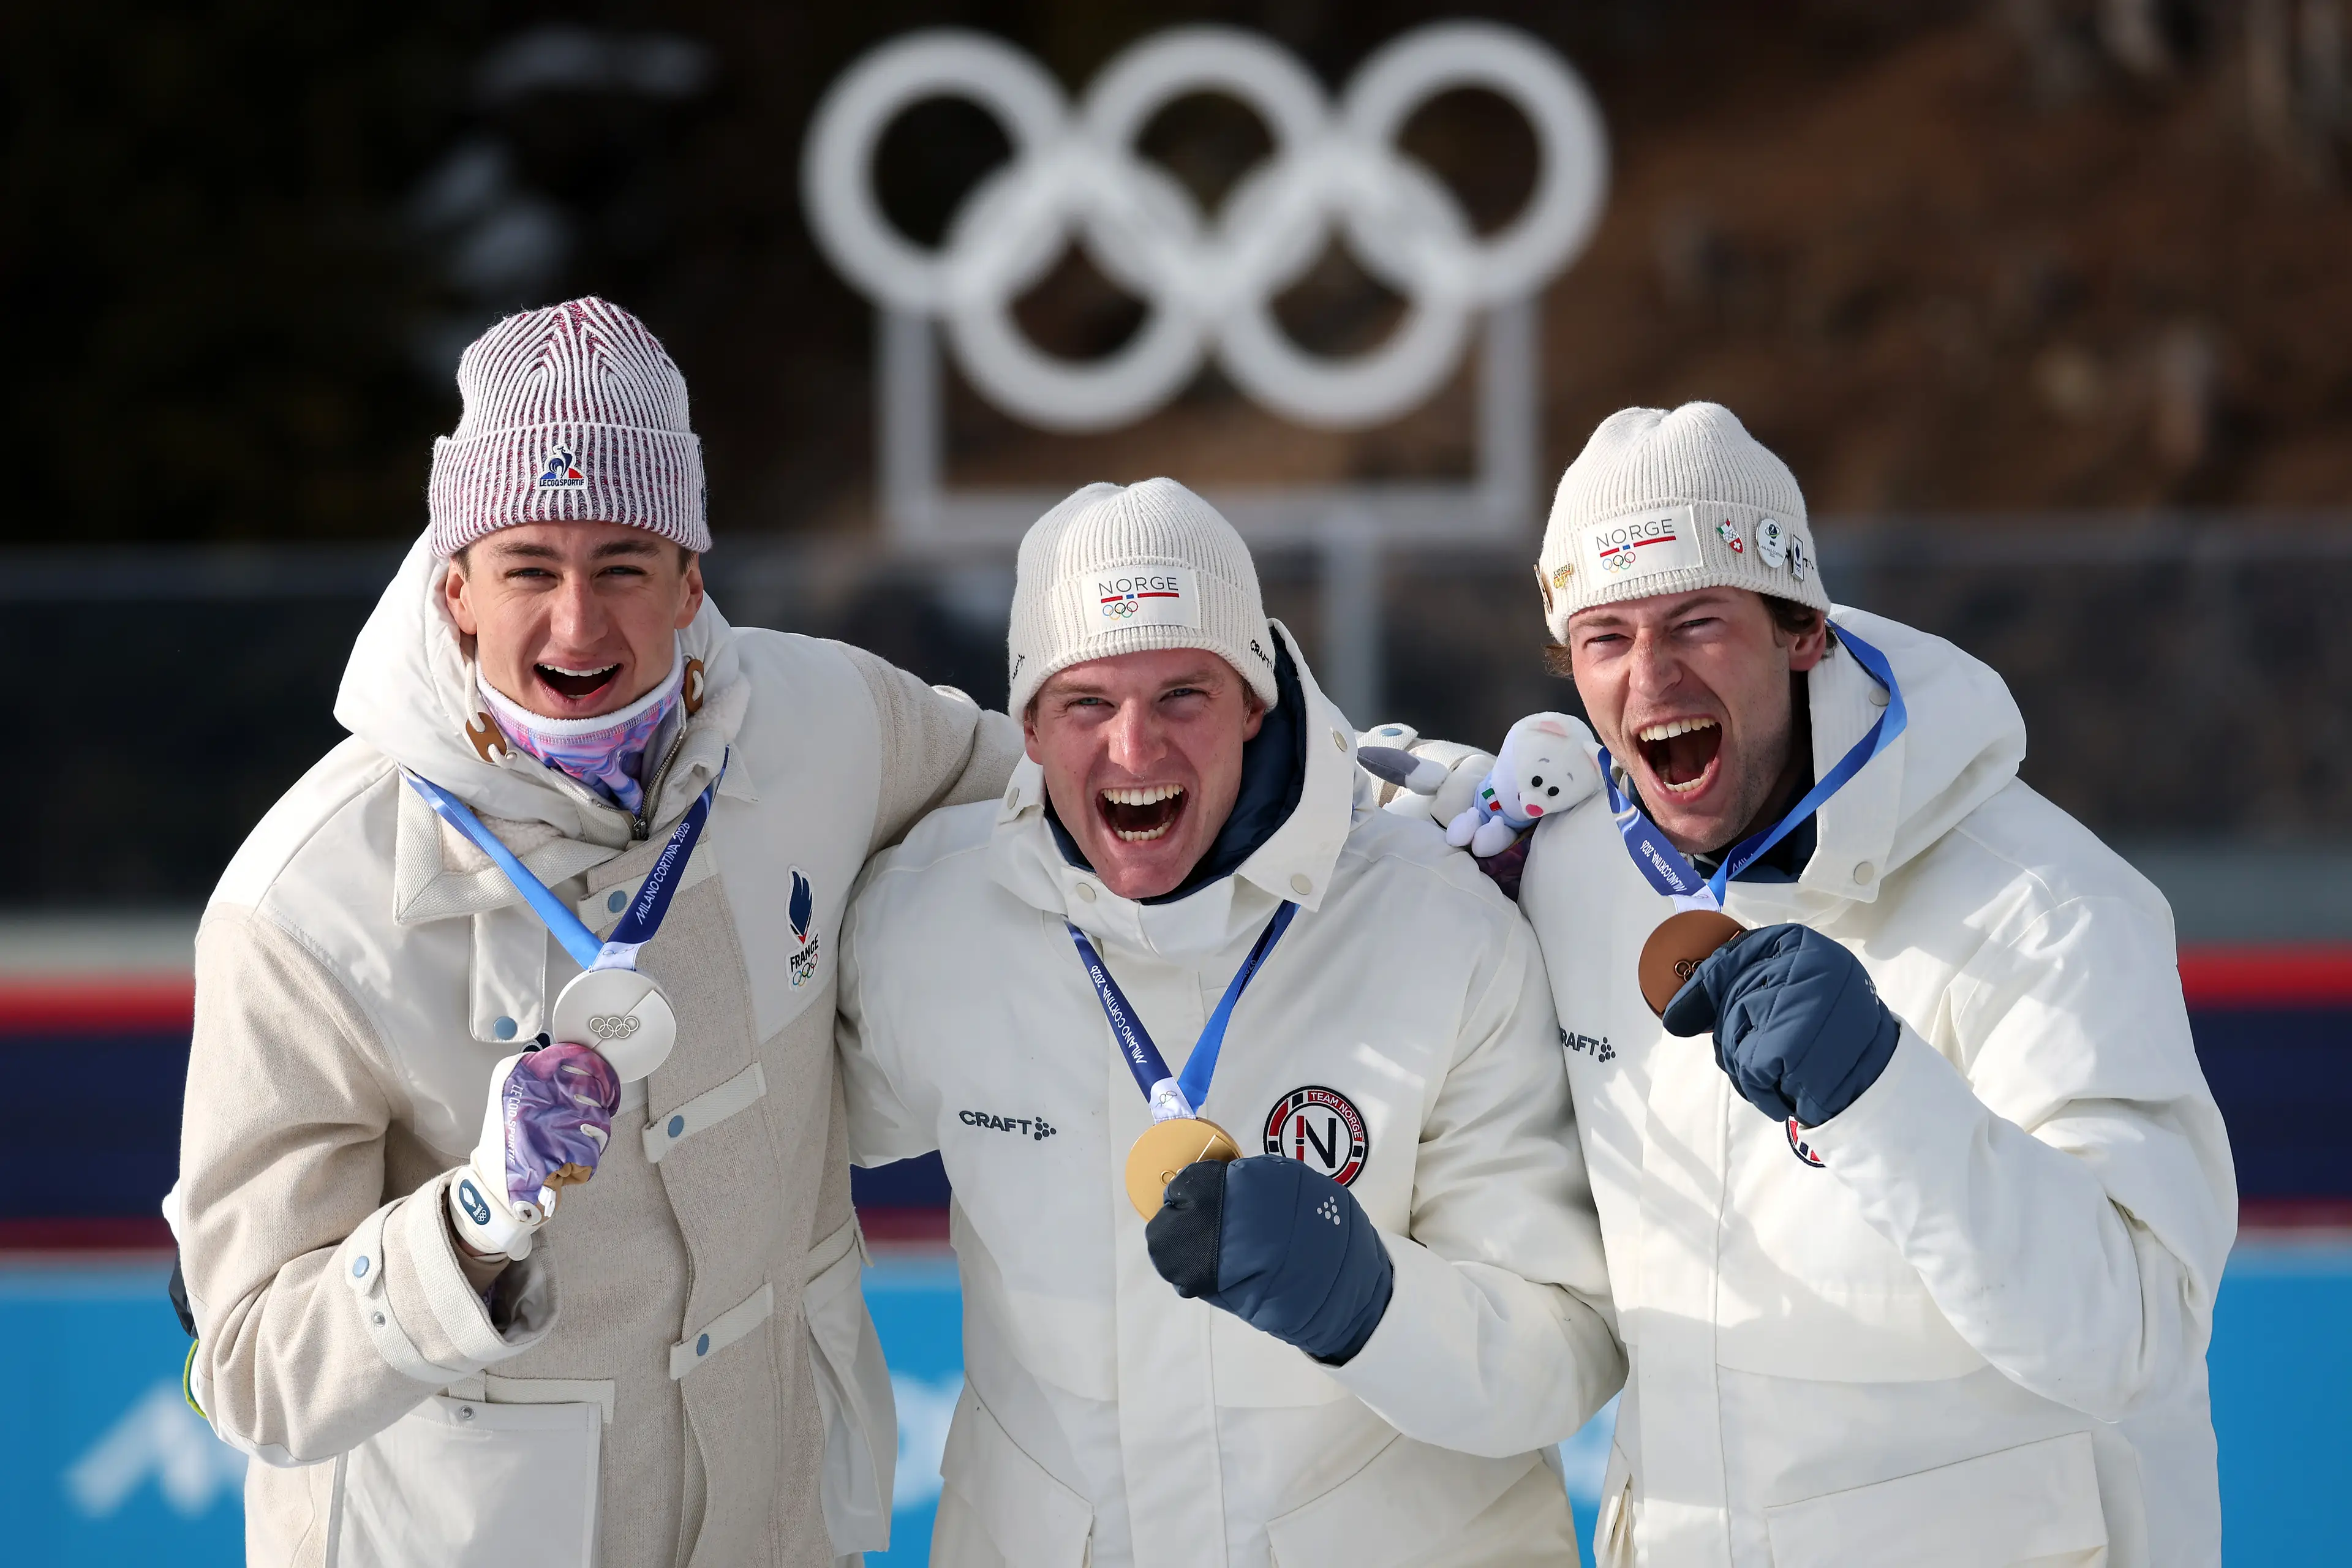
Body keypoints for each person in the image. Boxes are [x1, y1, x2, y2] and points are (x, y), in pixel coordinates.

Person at [170, 298, 1021, 1567]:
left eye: (624, 562)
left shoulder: (826, 720)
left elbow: (1088, 782)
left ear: (693, 579)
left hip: (778, 1527)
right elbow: (248, 1370)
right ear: (455, 587)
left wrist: (1357, 789)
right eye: (530, 567)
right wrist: (472, 1217)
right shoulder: (307, 905)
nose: (579, 625)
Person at [1466, 403, 2234, 1566]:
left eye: (1698, 621)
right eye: (1606, 637)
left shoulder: (2044, 905)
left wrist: (1884, 1097)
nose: (1652, 675)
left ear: (1803, 631)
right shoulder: (1568, 874)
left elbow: (2136, 1332)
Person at [834, 478, 1624, 1568]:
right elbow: (765, 1165)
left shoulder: (1435, 926)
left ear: (1255, 700)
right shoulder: (928, 923)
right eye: (1086, 704)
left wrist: (1368, 1305)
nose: (1134, 748)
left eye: (1183, 697)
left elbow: (1567, 1349)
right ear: (1025, 725)